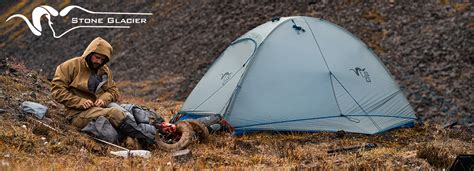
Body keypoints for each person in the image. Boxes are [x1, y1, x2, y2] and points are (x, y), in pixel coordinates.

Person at [51, 37, 156, 147]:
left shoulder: (104, 70)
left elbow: (113, 91)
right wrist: (79, 101)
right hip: (76, 113)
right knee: (115, 113)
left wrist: (103, 99)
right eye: (97, 58)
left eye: (103, 60)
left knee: (124, 112)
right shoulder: (69, 66)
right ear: (89, 53)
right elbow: (57, 91)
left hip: (97, 107)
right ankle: (151, 141)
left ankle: (146, 136)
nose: (99, 62)